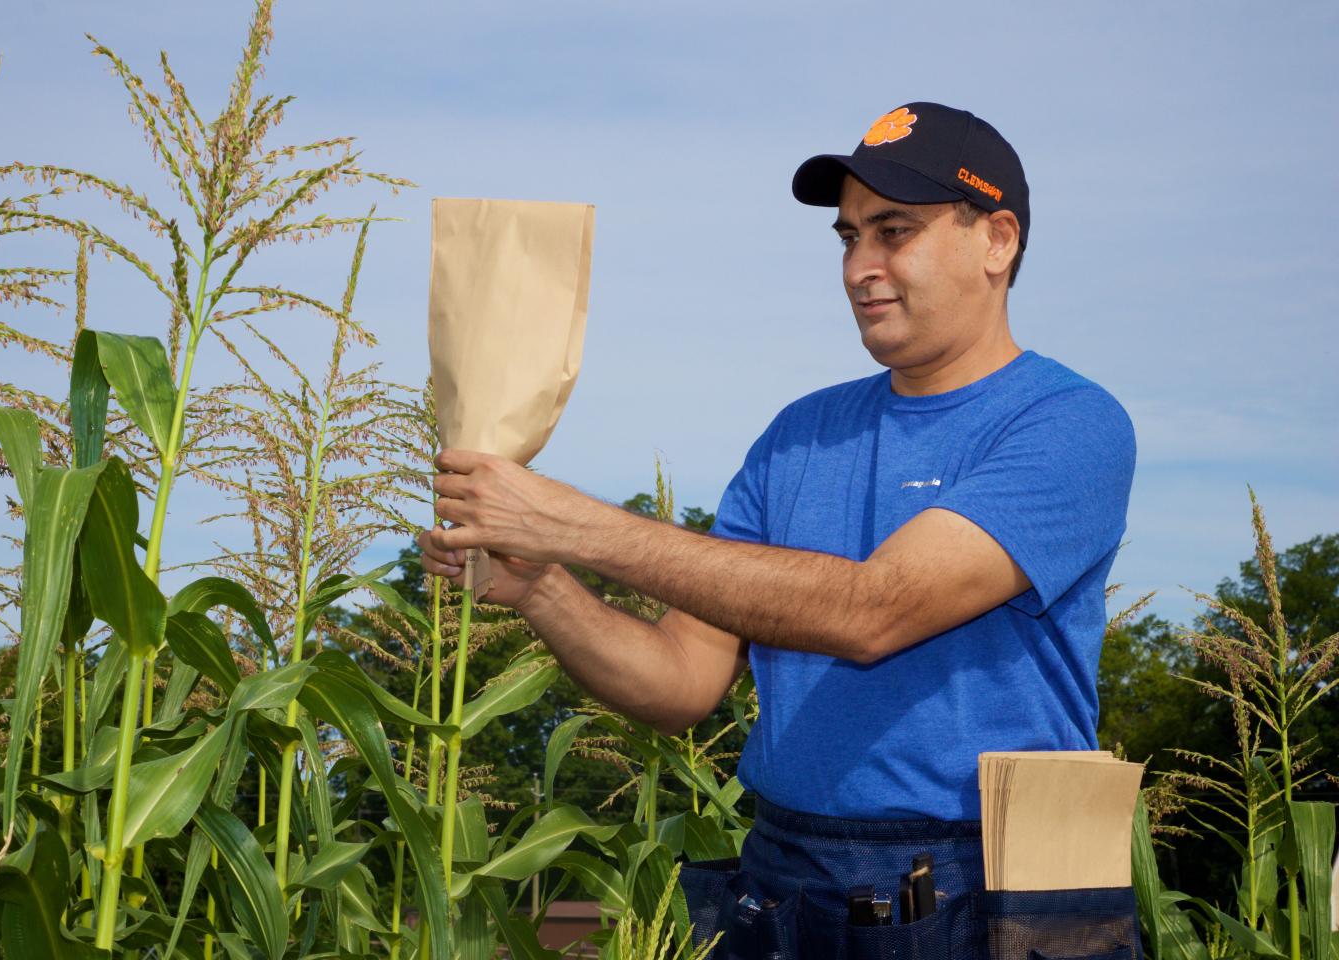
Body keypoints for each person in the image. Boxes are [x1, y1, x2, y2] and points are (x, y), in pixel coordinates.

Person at [419, 102, 1139, 958]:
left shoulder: (1068, 423)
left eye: (893, 231)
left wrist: (571, 524)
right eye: (847, 238)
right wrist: (540, 585)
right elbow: (682, 682)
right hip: (785, 879)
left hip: (982, 889)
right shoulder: (799, 435)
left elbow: (876, 612)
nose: (860, 267)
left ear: (997, 240)